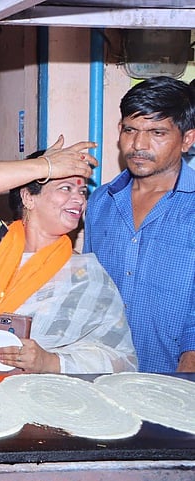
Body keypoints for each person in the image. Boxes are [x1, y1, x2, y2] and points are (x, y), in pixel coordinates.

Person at [0, 137, 137, 375]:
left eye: (82, 191)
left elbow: (122, 360)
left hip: (40, 406)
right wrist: (44, 166)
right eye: (65, 188)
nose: (79, 199)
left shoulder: (84, 275)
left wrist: (50, 362)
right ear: (28, 197)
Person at [84, 76, 195, 373]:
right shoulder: (101, 202)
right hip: (103, 371)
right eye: (130, 130)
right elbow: (90, 288)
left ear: (187, 139)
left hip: (172, 374)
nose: (138, 145)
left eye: (157, 132)